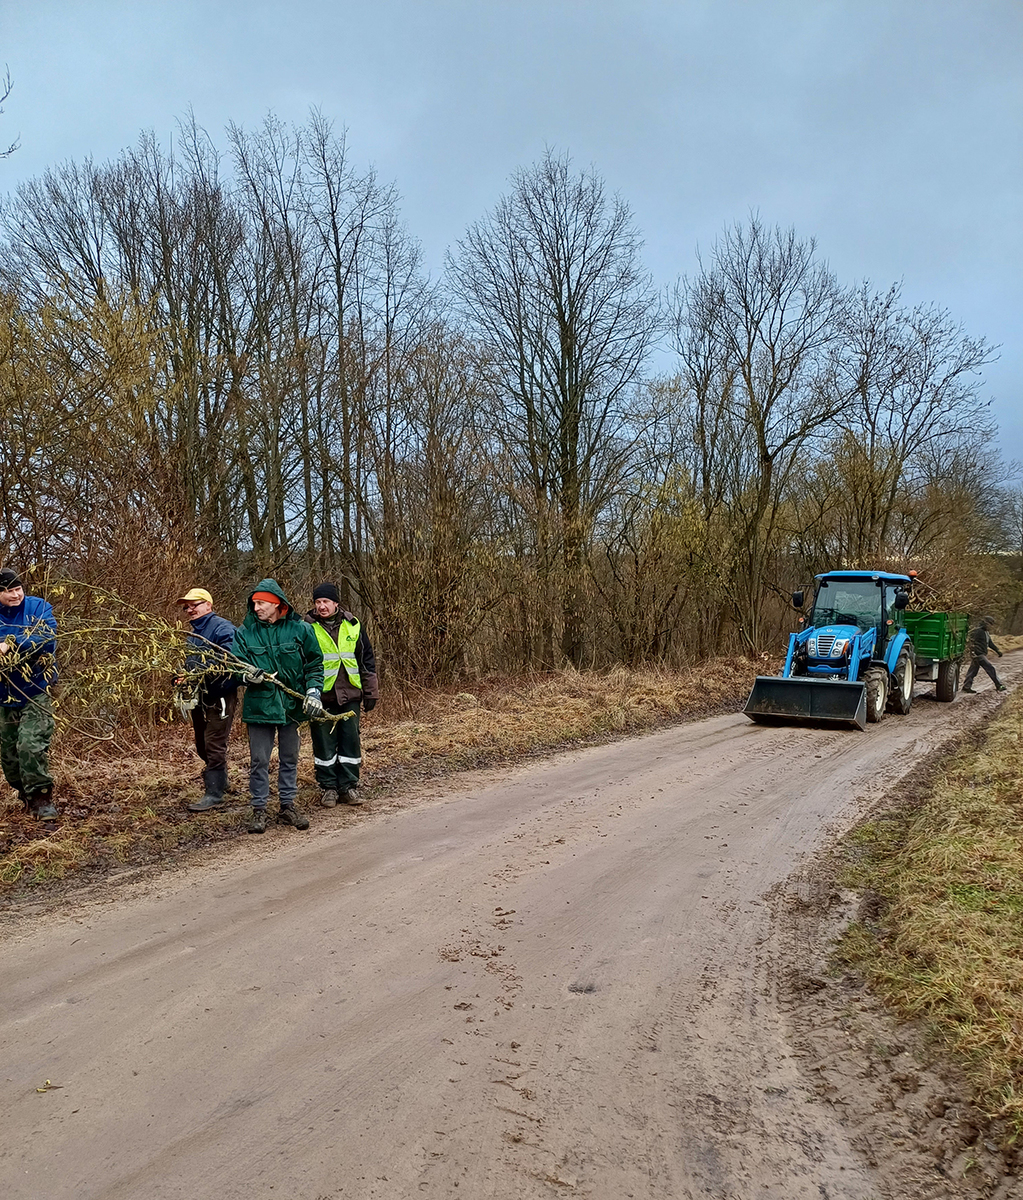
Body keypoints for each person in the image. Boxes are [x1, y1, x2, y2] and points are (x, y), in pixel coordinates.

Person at [231, 579, 324, 834]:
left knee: (289, 758)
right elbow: (234, 667)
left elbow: (315, 664)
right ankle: (259, 809)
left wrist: (314, 692)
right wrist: (245, 676)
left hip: (291, 707)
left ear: (276, 604)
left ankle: (287, 806)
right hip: (259, 708)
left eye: (261, 603)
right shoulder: (245, 633)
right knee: (259, 760)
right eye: (254, 603)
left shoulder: (300, 630)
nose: (256, 607)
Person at [304, 582, 379, 807]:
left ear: (336, 603)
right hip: (321, 695)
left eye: (326, 601)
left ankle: (349, 786)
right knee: (323, 743)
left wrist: (371, 691)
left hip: (350, 694)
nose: (321, 606)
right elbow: (302, 662)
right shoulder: (307, 627)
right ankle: (328, 787)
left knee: (350, 741)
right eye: (318, 602)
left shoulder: (353, 624)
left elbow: (366, 660)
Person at [0, 568, 59, 822]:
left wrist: (9, 642)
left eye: (17, 589)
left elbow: (46, 637)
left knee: (30, 744)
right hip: (4, 694)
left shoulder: (38, 607)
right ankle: (25, 794)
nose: (15, 595)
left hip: (36, 689)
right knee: (9, 755)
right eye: (7, 591)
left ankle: (42, 798)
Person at [174, 587, 239, 812]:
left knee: (214, 743)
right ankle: (222, 781)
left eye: (195, 604)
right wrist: (179, 676)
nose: (190, 609)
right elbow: (186, 664)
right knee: (202, 744)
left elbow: (230, 659)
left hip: (220, 693)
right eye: (187, 607)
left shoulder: (222, 628)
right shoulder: (192, 635)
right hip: (199, 696)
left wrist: (198, 672)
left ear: (208, 605)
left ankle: (214, 793)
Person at [962, 616, 1007, 694]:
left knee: (972, 671)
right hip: (978, 655)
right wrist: (973, 652)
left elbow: (990, 643)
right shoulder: (977, 631)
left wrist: (997, 650)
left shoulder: (986, 632)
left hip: (980, 654)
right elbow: (971, 642)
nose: (991, 626)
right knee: (990, 668)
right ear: (986, 623)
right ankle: (999, 685)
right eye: (990, 624)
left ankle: (966, 687)